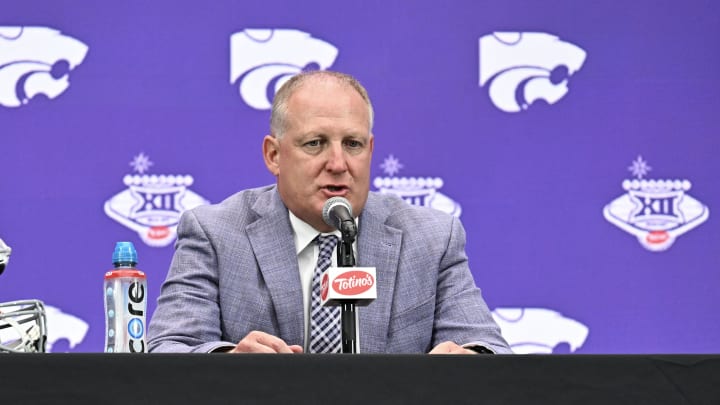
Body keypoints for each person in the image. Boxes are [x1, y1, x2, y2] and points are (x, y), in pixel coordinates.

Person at [147, 70, 511, 354]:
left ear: (370, 150)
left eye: (352, 144)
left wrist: (469, 358)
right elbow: (167, 348)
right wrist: (229, 359)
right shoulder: (215, 233)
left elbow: (489, 350)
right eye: (315, 143)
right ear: (274, 155)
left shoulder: (431, 239)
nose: (338, 163)